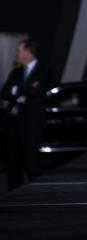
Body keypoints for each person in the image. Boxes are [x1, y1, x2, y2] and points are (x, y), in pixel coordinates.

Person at [0, 40, 51, 190]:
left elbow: (35, 91)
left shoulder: (43, 70)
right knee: (13, 162)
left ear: (28, 52)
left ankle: (36, 193)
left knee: (31, 161)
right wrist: (23, 91)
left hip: (31, 123)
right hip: (13, 122)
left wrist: (17, 91)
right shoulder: (16, 72)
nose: (16, 54)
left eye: (18, 51)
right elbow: (5, 92)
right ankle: (14, 195)